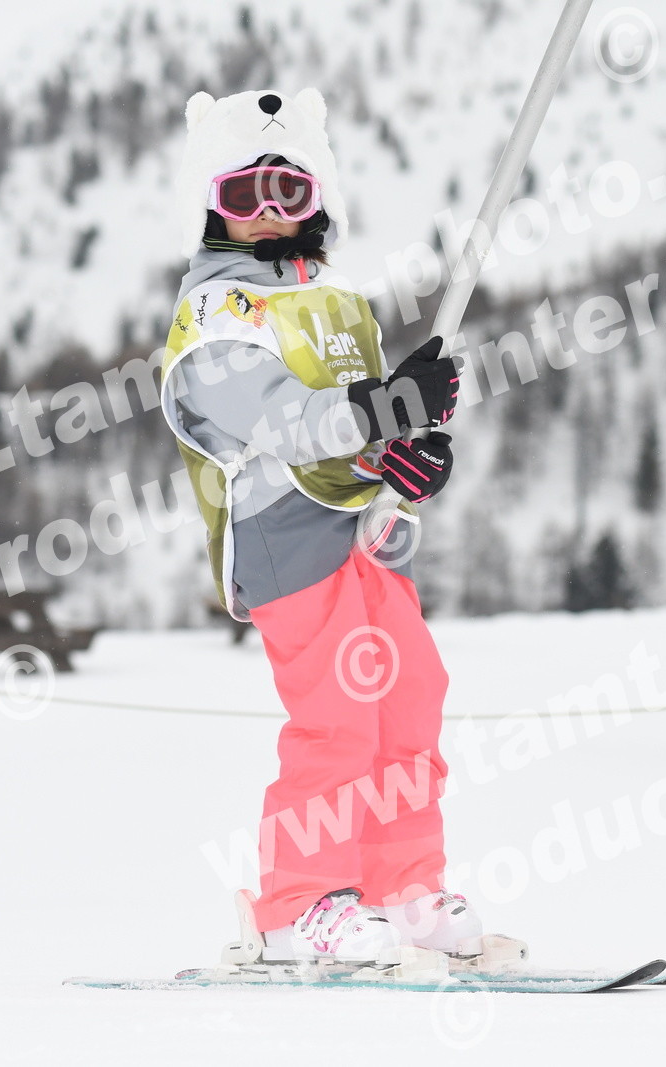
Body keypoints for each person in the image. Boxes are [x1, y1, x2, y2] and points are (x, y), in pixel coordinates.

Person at [160, 87, 481, 968]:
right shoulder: (215, 314)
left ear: (320, 197)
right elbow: (282, 417)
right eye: (244, 193)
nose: (269, 212)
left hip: (366, 531)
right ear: (209, 206)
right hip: (284, 532)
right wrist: (388, 406)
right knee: (338, 714)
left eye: (289, 191)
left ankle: (401, 887)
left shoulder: (340, 302)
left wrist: (408, 459)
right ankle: (298, 903)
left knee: (409, 697)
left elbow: (366, 430)